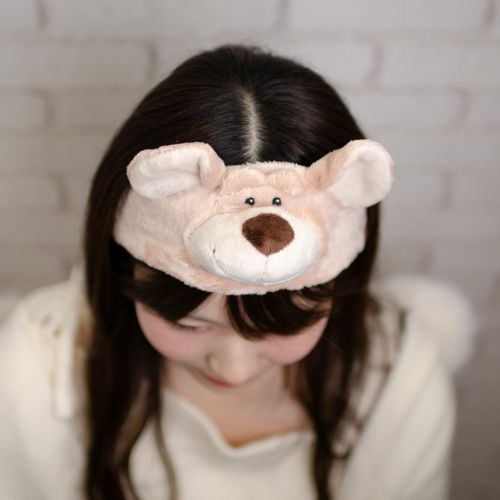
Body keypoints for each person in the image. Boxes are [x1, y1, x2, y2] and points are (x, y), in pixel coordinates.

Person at [0, 43, 476, 500]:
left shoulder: (394, 374)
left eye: (283, 326)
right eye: (189, 324)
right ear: (125, 271)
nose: (234, 367)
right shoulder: (41, 368)